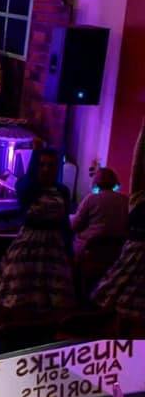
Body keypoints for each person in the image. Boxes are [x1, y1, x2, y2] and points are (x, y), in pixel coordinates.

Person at [0, 140, 75, 320]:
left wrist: (69, 249)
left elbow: (64, 220)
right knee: (19, 290)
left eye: (51, 165)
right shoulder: (29, 187)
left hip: (54, 246)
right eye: (42, 165)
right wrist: (36, 153)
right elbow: (26, 186)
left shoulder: (62, 190)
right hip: (29, 242)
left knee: (51, 298)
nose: (46, 169)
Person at [93, 115, 145, 330]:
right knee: (122, 316)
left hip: (132, 255)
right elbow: (138, 163)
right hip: (132, 255)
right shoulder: (136, 198)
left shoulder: (136, 199)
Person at [71, 165, 128, 294]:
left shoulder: (91, 199)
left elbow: (75, 225)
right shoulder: (126, 201)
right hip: (117, 254)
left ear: (96, 181)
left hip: (91, 252)